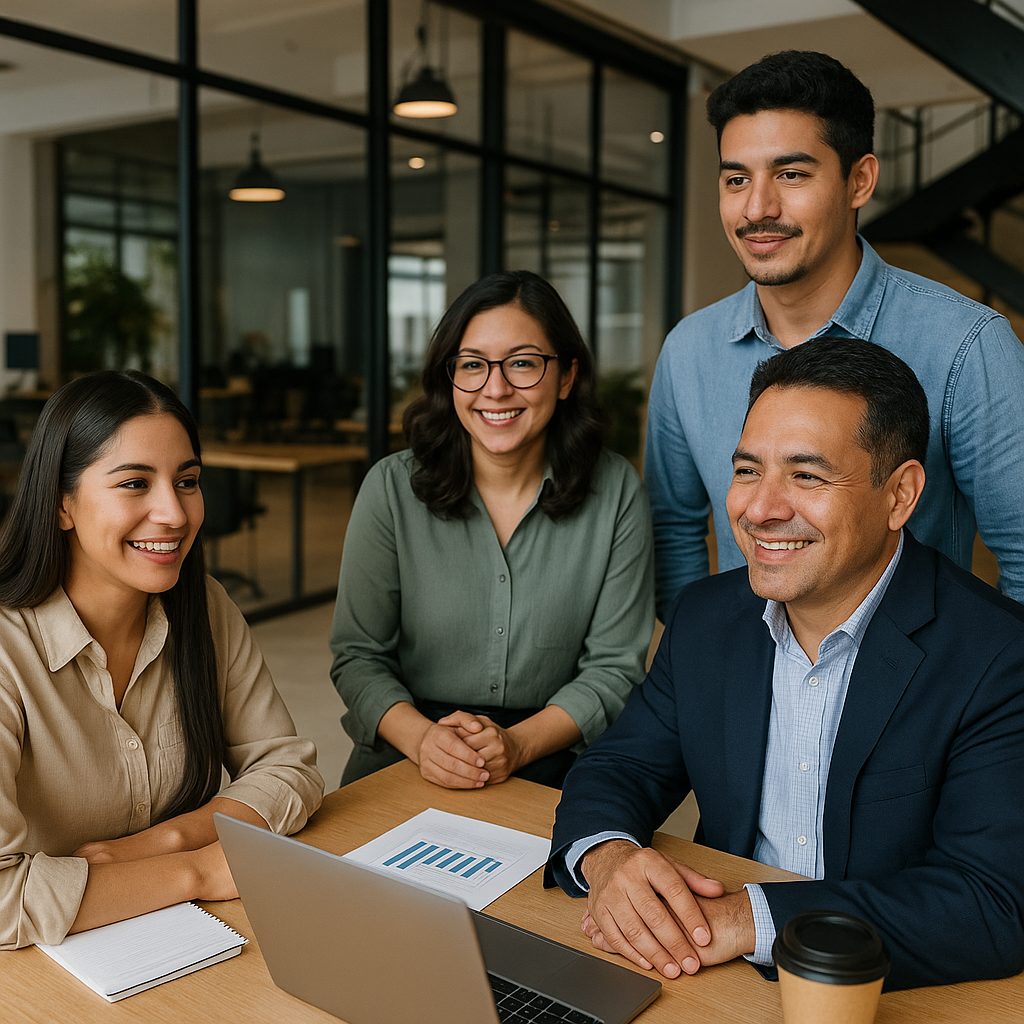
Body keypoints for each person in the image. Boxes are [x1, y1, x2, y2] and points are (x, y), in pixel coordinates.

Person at [546, 338, 1024, 992]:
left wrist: (748, 919)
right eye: (747, 471)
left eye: (806, 475)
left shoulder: (996, 654)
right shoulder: (707, 616)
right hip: (707, 982)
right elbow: (621, 764)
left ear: (900, 495)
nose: (760, 508)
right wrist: (608, 858)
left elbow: (989, 903)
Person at [645, 49, 1024, 614]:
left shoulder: (968, 344)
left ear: (860, 180)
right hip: (746, 688)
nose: (757, 207)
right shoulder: (689, 350)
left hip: (914, 691)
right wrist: (702, 669)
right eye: (736, 178)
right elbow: (674, 533)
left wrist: (982, 695)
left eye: (792, 174)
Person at [0, 371, 324, 950]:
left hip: (184, 944)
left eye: (188, 481)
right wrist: (197, 871)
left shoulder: (204, 607)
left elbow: (288, 771)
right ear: (61, 504)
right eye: (133, 483)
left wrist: (160, 843)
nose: (174, 514)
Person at [330, 270, 654, 790]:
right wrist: (422, 740)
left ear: (566, 376)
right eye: (473, 366)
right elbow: (358, 656)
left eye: (523, 363)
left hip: (554, 748)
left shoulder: (615, 491)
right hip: (410, 744)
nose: (496, 389)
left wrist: (518, 744)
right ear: (449, 377)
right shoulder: (391, 488)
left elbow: (614, 669)